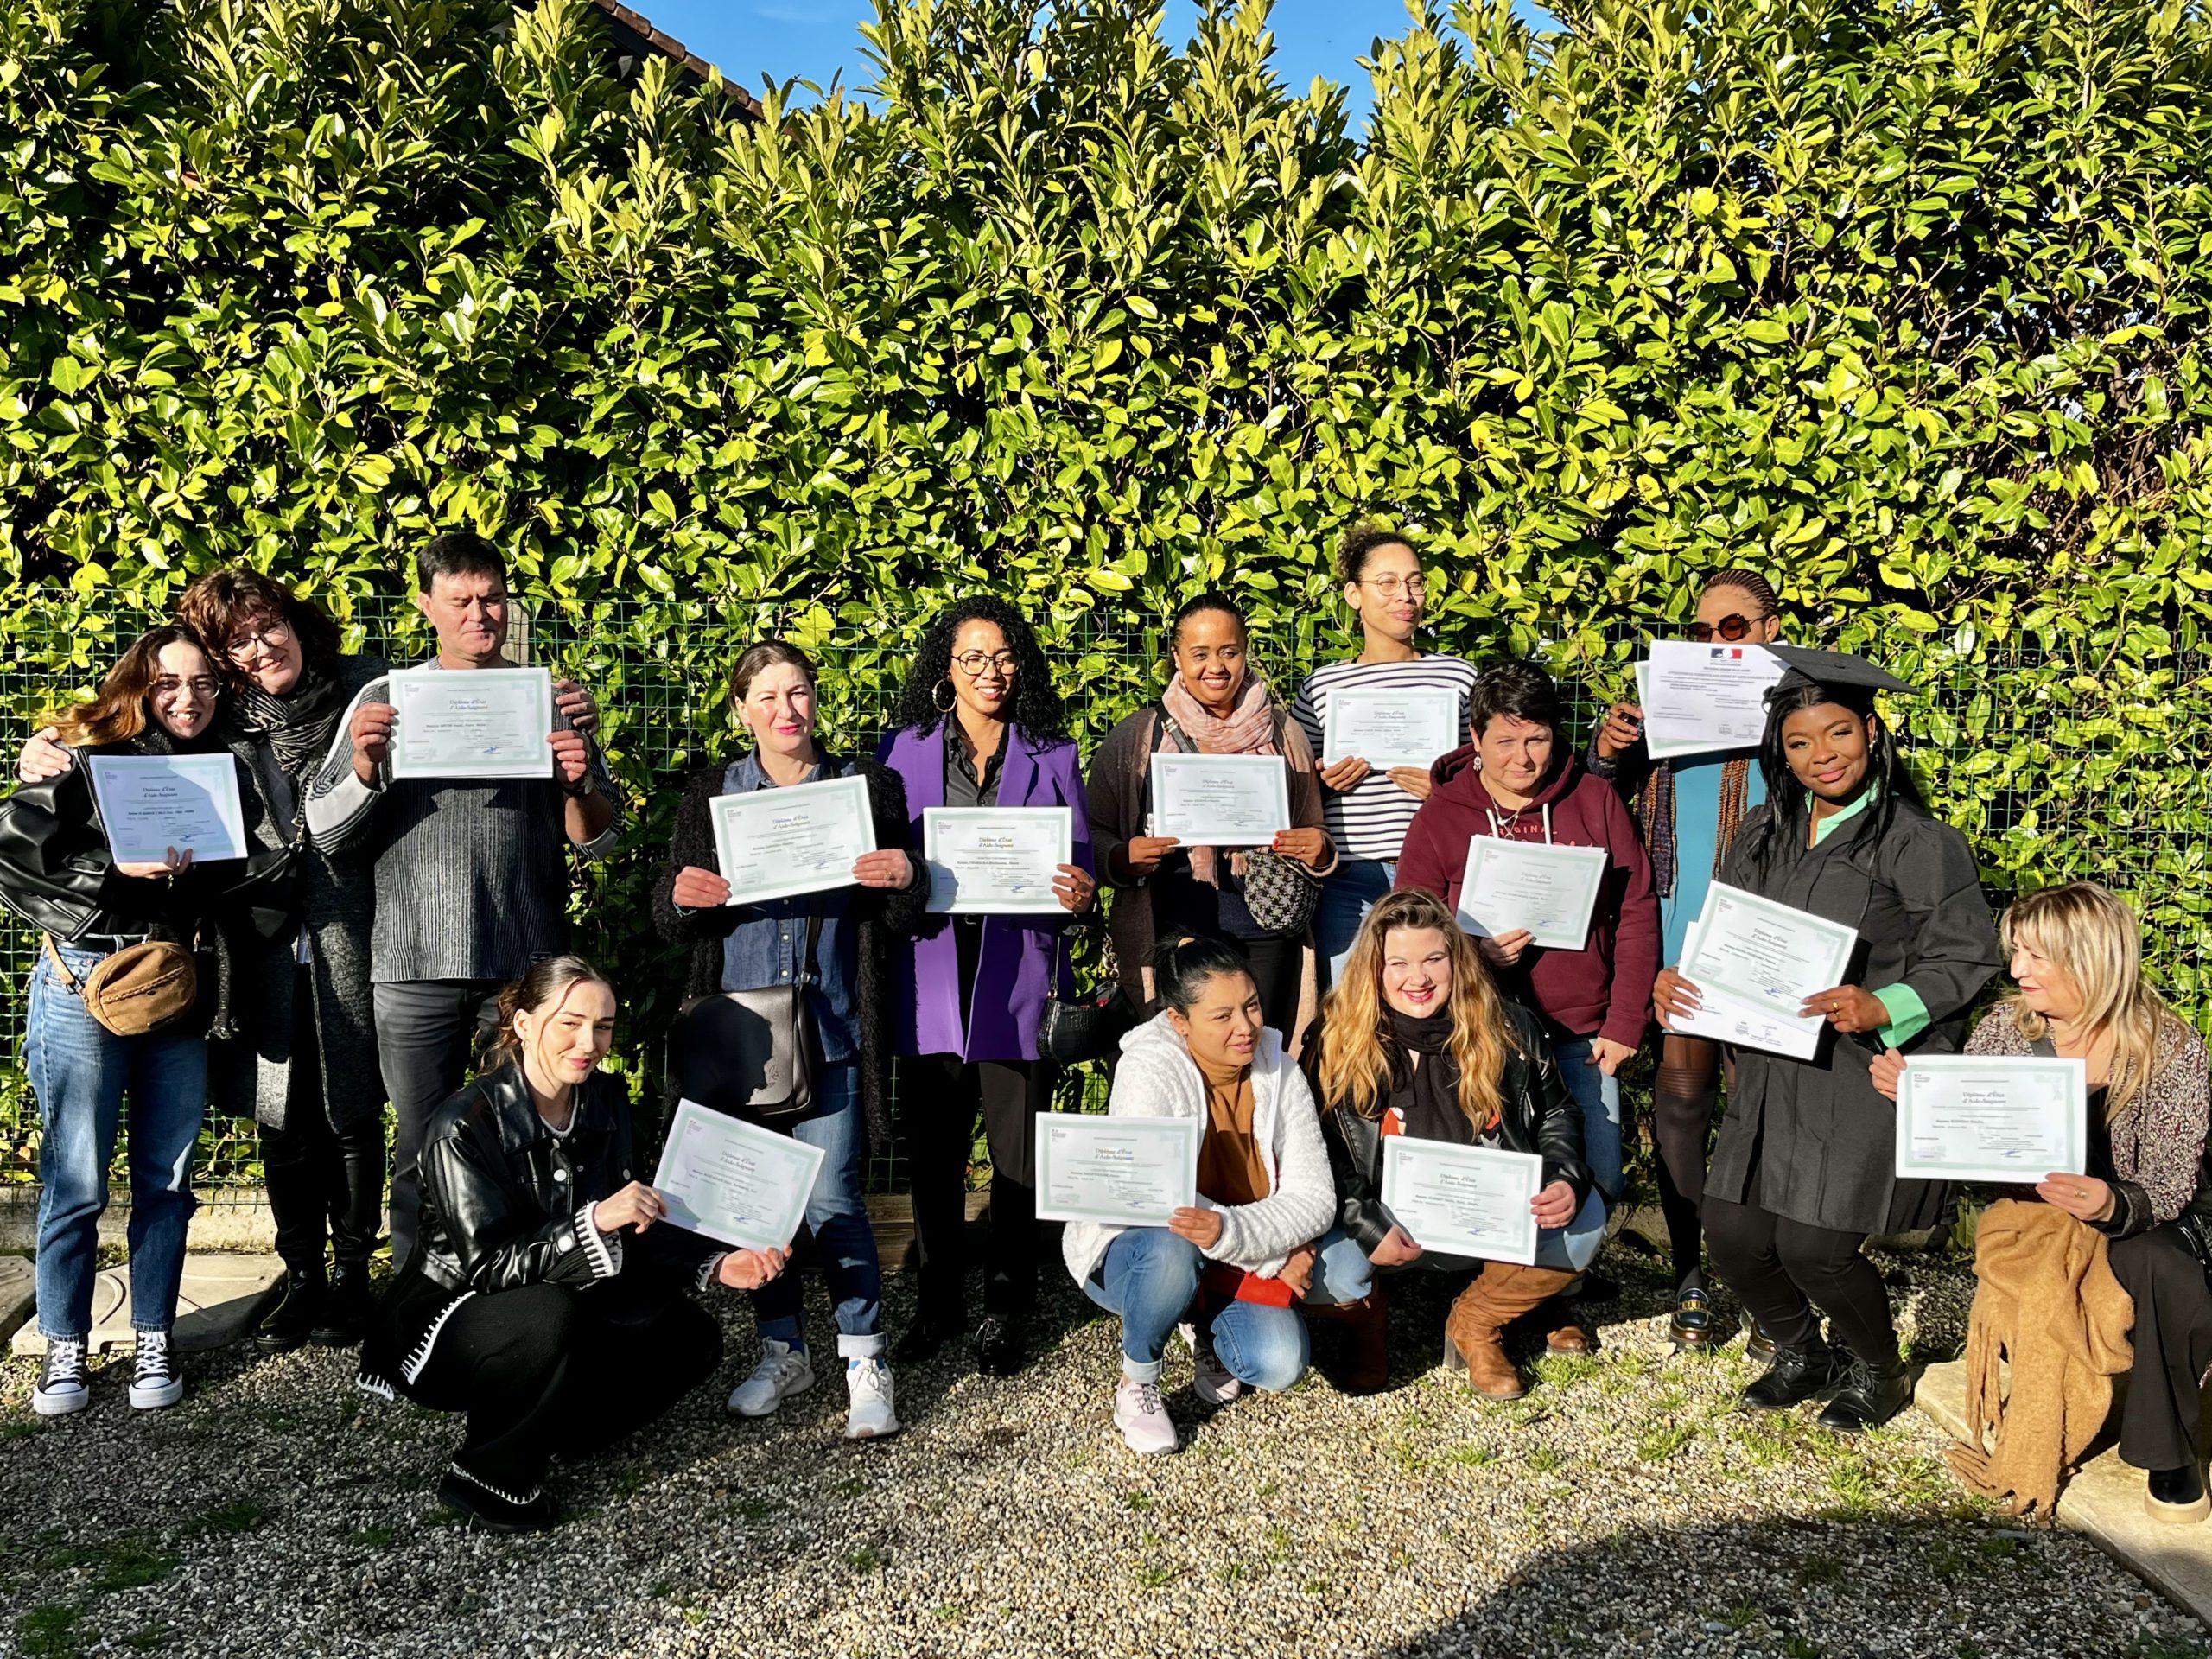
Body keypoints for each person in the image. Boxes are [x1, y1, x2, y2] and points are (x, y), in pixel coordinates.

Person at [14, 574, 394, 1348]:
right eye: (239, 642)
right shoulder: (218, 723)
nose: (260, 650)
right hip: (251, 943)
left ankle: (355, 1278)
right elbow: (129, 739)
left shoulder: (360, 690)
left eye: (269, 628)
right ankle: (304, 1277)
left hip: (352, 934)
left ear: (296, 624)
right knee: (280, 1112)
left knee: (352, 1110)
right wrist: (47, 744)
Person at [1656, 645, 2001, 1433]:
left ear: (1873, 732)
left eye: (1839, 734)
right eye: (1801, 743)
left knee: (1816, 1244)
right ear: (1781, 749)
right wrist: (1679, 980)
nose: (1822, 757)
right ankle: (1798, 1346)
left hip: (1856, 1069)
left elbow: (1969, 952)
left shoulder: (1916, 841)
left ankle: (1879, 1366)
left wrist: (1887, 1006)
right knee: (1733, 1231)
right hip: (1773, 1065)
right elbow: (1729, 939)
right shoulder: (1760, 834)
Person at [355, 958, 784, 1532]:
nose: (589, 1043)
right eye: (570, 1023)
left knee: (692, 1339)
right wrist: (596, 1219)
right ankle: (486, 1473)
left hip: (558, 1290)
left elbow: (636, 1226)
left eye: (603, 1026)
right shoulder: (463, 1122)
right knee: (554, 1312)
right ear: (526, 1024)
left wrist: (716, 1262)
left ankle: (559, 1431)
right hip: (445, 1321)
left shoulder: (605, 1100)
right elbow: (489, 1265)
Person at [306, 531, 618, 1266]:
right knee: (420, 1145)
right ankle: (417, 1304)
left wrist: (575, 780)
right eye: (461, 601)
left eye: (493, 598)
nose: (481, 614)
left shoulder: (549, 698)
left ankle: (520, 1293)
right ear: (426, 607)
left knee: (525, 1136)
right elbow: (325, 832)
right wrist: (361, 765)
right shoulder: (384, 700)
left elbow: (597, 839)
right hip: (412, 963)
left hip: (525, 972)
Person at [652, 639, 927, 1440]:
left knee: (836, 1198)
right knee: (756, 1210)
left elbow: (902, 916)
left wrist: (905, 878)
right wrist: (682, 897)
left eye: (799, 692)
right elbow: (672, 922)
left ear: (816, 700)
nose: (786, 710)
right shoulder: (711, 794)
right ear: (741, 710)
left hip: (834, 1029)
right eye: (767, 696)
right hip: (740, 1045)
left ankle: (862, 1353)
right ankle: (782, 1350)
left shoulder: (865, 788)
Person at [1872, 883, 2212, 1518]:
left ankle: (2170, 1451)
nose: (2017, 969)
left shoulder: (2170, 1046)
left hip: (2147, 1211)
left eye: (2035, 956)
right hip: (2039, 1215)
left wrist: (2112, 1205)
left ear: (2090, 960)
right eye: (2016, 952)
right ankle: (2046, 1426)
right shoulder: (2007, 1027)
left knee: (2155, 1263)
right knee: (2052, 1266)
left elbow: (2170, 1182)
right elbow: (1970, 1143)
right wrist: (1921, 1098)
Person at [0, 628, 267, 1415]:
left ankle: (154, 1332)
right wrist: (108, 871)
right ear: (138, 685)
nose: (188, 698)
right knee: (76, 1177)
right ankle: (65, 1344)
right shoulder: (80, 749)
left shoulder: (226, 763)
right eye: (168, 683)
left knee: (168, 1177)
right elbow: (14, 852)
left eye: (205, 684)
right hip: (86, 979)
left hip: (173, 983)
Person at [1395, 658, 1660, 1343]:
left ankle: (1530, 1298)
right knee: (1494, 1174)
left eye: (1537, 738)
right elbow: (1411, 919)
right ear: (1476, 740)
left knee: (1593, 1177)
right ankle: (1508, 1304)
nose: (1523, 757)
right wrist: (1468, 955)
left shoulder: (1594, 802)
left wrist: (1626, 1019)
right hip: (1474, 1035)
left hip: (1578, 1030)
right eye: (1505, 741)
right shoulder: (1440, 816)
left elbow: (1634, 908)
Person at [876, 597, 1097, 1376]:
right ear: (948, 668)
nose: (990, 672)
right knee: (933, 1156)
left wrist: (1083, 890)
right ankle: (936, 1304)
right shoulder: (900, 752)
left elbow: (1081, 863)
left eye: (1002, 657)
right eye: (973, 658)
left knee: (1018, 1155)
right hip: (928, 973)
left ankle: (1009, 1307)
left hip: (1017, 980)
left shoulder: (1055, 753)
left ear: (1020, 663)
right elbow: (882, 862)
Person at [1586, 569, 1782, 1349]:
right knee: (1681, 1099)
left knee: (1764, 1106)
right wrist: (1609, 746)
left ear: (1771, 626)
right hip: (1680, 930)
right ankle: (1690, 1275)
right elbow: (1598, 795)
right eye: (1701, 634)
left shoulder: (1805, 701)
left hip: (1767, 938)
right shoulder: (1668, 706)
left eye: (1732, 627)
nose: (1715, 644)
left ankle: (1766, 1277)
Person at [1304, 890, 1602, 1400]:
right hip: (1386, 1226)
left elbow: (1556, 1111)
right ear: (1372, 969)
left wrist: (1564, 1177)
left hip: (1487, 1220)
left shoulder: (1507, 1025)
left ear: (1455, 960)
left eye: (1433, 959)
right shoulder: (1336, 1038)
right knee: (1323, 1276)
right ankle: (1369, 1331)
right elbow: (1320, 1150)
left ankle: (1477, 1322)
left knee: (1585, 1221)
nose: (1417, 979)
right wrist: (1368, 1223)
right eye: (1397, 963)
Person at [1064, 936, 1337, 1455]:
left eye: (1252, 1005)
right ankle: (1138, 1380)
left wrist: (1239, 1237)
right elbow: (1157, 1200)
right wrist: (1277, 1256)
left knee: (1279, 1363)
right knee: (1173, 1249)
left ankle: (1199, 1323)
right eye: (1223, 1016)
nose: (1246, 1027)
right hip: (1143, 1251)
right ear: (1178, 1021)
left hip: (1233, 1251)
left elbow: (1316, 1196)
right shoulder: (1148, 1068)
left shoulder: (1280, 1067)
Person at [1087, 593, 1336, 1044]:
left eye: (1228, 652)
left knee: (1261, 1061)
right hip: (1170, 936)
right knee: (1178, 1073)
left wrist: (1317, 849)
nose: (1215, 667)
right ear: (1177, 658)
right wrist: (1120, 858)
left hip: (1266, 931)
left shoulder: (1283, 731)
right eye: (1200, 654)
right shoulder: (1137, 736)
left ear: (1245, 652)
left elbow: (1313, 826)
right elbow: (1093, 832)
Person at [1290, 524, 1478, 988]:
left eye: (1415, 582)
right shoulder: (1322, 687)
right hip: (1351, 875)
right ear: (1354, 595)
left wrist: (1447, 791)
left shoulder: (1457, 678)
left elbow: (1491, 777)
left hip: (1441, 871)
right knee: (1349, 1009)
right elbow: (1294, 790)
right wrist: (1322, 783)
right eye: (1388, 583)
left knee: (1437, 1004)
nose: (1406, 596)